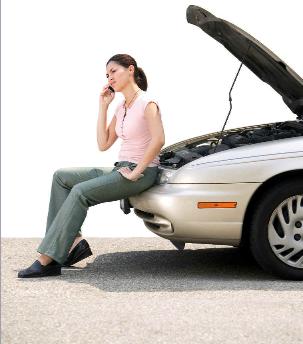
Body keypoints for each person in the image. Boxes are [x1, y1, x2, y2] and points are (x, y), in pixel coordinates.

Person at [18, 53, 165, 278]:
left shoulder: (148, 102)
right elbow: (103, 143)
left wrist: (137, 171)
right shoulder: (121, 107)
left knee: (80, 192)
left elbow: (159, 140)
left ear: (131, 70)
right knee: (62, 177)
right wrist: (103, 106)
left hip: (142, 171)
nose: (110, 78)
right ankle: (70, 245)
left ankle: (48, 259)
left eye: (114, 72)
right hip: (121, 167)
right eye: (107, 75)